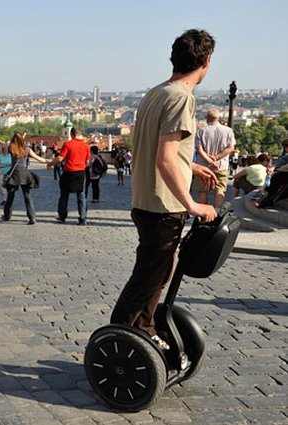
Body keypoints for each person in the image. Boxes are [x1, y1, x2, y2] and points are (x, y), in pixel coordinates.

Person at [109, 29, 218, 351]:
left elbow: (161, 151)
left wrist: (191, 166)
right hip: (164, 205)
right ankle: (118, 342)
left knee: (156, 276)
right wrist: (193, 204)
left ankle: (145, 329)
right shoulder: (182, 98)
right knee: (147, 279)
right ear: (206, 62)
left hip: (146, 198)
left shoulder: (157, 93)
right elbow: (165, 158)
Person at [192, 107, 236, 207]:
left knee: (203, 190)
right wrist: (216, 157)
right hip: (221, 166)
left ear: (208, 118)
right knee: (219, 190)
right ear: (218, 118)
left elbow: (199, 150)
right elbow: (230, 148)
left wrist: (210, 161)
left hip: (203, 167)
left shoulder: (201, 131)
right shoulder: (228, 131)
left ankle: (203, 215)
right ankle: (216, 215)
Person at [46, 127, 90, 225]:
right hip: (80, 173)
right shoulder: (86, 146)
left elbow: (60, 159)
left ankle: (62, 216)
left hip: (69, 172)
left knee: (64, 195)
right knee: (81, 196)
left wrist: (50, 164)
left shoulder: (68, 144)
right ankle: (83, 218)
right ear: (80, 134)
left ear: (72, 135)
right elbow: (87, 162)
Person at [3, 132, 48, 224]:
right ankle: (32, 217)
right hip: (24, 173)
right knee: (27, 196)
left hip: (14, 173)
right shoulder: (27, 149)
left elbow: (4, 146)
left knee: (10, 197)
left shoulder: (11, 148)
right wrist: (50, 162)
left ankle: (7, 216)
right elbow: (39, 159)